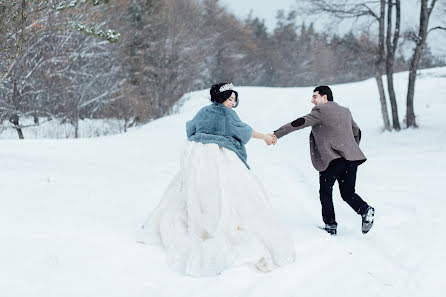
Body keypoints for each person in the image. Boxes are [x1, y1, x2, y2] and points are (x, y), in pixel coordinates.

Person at [138, 83, 295, 276]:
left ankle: (196, 219)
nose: (232, 103)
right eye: (230, 99)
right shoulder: (229, 115)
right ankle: (219, 225)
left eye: (234, 100)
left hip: (198, 155)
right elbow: (244, 131)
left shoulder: (204, 111)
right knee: (227, 189)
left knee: (195, 189)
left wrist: (205, 135)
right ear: (221, 98)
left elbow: (190, 129)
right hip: (220, 156)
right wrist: (265, 136)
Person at [272, 85, 374, 235]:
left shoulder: (320, 111)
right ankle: (366, 210)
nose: (312, 100)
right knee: (347, 193)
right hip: (351, 159)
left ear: (324, 97)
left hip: (333, 160)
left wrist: (276, 134)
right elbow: (356, 131)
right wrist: (350, 148)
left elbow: (299, 123)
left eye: (315, 96)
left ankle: (330, 225)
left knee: (325, 192)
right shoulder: (345, 111)